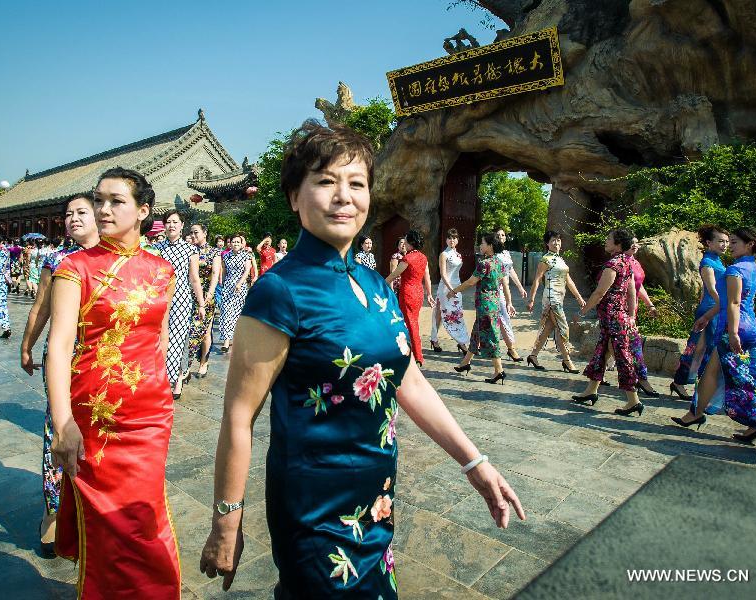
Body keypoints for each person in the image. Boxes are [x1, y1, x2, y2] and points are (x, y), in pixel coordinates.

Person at [199, 122, 523, 598]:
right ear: (294, 196)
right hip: (314, 507)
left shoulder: (376, 286)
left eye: (357, 183)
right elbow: (239, 415)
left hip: (376, 500)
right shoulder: (281, 291)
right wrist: (227, 521)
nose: (343, 196)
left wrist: (474, 462)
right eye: (325, 181)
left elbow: (405, 377)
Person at [47, 167, 181, 597]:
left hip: (150, 412)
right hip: (94, 414)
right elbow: (60, 346)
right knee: (108, 520)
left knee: (142, 515)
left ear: (143, 211)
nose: (103, 209)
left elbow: (157, 341)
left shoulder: (163, 270)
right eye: (99, 200)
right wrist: (63, 421)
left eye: (116, 201)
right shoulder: (76, 267)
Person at [19, 193, 100, 558]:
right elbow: (41, 308)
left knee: (98, 440)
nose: (74, 219)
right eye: (68, 214)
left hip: (104, 365)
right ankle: (52, 517)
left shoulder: (119, 258)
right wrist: (26, 345)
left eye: (82, 212)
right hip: (64, 363)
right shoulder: (58, 259)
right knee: (59, 431)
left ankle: (91, 516)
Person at [672, 228, 756, 445]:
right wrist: (707, 316)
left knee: (735, 378)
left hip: (736, 329)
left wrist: (732, 332)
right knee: (737, 374)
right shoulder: (753, 268)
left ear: (749, 244)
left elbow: (733, 303)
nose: (730, 246)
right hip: (751, 327)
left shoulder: (735, 270)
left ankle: (752, 423)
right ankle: (697, 414)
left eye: (734, 242)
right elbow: (732, 302)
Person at [571, 228, 642, 415]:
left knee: (621, 356)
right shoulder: (627, 262)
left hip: (612, 318)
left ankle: (633, 400)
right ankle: (591, 391)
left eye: (609, 238)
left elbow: (599, 293)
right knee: (602, 352)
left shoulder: (613, 264)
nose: (606, 241)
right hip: (617, 317)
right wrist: (632, 315)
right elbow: (631, 291)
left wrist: (582, 312)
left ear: (618, 244)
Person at [670, 225, 729, 399]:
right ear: (709, 243)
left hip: (714, 308)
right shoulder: (708, 262)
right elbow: (710, 288)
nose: (724, 245)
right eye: (720, 241)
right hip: (712, 308)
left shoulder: (718, 261)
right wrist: (723, 305)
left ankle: (687, 383)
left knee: (704, 348)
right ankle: (683, 383)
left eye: (726, 241)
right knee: (697, 347)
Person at [154, 210, 206, 397]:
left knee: (177, 339)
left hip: (182, 298)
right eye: (168, 222)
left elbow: (194, 278)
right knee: (160, 338)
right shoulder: (157, 248)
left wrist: (201, 303)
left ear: (182, 225)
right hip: (160, 298)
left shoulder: (190, 250)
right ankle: (165, 378)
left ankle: (172, 381)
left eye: (175, 222)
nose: (172, 225)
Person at [449, 232, 512, 383]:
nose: (480, 245)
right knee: (477, 332)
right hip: (494, 303)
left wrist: (454, 291)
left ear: (490, 246)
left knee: (490, 336)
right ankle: (465, 363)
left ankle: (499, 370)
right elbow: (504, 283)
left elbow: (471, 282)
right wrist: (508, 301)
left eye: (483, 243)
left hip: (485, 305)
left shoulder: (485, 264)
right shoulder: (499, 262)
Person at [526, 231, 585, 372]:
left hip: (560, 297)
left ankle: (533, 355)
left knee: (548, 328)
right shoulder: (545, 259)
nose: (556, 243)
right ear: (547, 243)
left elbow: (568, 280)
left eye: (558, 240)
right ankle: (567, 361)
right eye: (553, 240)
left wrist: (579, 297)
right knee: (563, 328)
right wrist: (531, 299)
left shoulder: (560, 259)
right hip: (552, 298)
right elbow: (537, 279)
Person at [386, 230, 434, 367]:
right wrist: (429, 294)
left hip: (407, 293)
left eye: (406, 241)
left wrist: (379, 284)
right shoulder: (423, 257)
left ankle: (417, 356)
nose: (404, 244)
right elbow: (427, 277)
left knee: (409, 324)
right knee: (412, 323)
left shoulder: (407, 258)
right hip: (418, 293)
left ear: (411, 243)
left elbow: (394, 275)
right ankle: (412, 352)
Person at [624, 237, 661, 396]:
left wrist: (649, 304)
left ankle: (595, 378)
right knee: (634, 344)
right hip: (621, 311)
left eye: (636, 242)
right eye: (631, 242)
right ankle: (642, 379)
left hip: (632, 310)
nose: (635, 245)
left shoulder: (635, 262)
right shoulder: (620, 263)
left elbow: (638, 286)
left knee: (607, 345)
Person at [187, 223, 222, 378]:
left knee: (205, 331)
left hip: (207, 295)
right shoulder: (189, 250)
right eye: (191, 233)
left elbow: (215, 274)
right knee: (188, 330)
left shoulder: (214, 252)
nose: (193, 236)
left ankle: (203, 362)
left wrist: (210, 293)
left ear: (205, 233)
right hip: (190, 295)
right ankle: (185, 366)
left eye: (196, 232)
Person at [430, 228, 469, 354]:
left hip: (457, 287)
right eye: (449, 238)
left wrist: (457, 289)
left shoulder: (458, 255)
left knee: (457, 314)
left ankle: (461, 341)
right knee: (441, 314)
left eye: (454, 238)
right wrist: (451, 289)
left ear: (457, 240)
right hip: (446, 288)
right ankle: (434, 339)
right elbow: (443, 274)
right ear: (446, 240)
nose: (452, 240)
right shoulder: (444, 254)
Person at [219, 233, 258, 353]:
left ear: (242, 244)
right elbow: (224, 270)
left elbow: (247, 270)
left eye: (238, 242)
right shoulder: (226, 256)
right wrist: (222, 281)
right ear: (229, 243)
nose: (235, 244)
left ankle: (236, 340)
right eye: (233, 242)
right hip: (228, 286)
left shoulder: (246, 255)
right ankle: (226, 341)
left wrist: (240, 283)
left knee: (237, 314)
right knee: (226, 312)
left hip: (240, 288)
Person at [493, 229, 526, 362]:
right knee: (503, 317)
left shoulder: (506, 253)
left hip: (504, 289)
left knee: (490, 319)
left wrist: (519, 287)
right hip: (495, 289)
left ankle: (476, 346)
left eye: (503, 235)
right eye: (498, 235)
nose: (500, 237)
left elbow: (510, 270)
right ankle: (511, 348)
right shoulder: (492, 253)